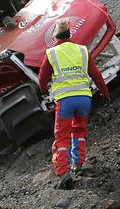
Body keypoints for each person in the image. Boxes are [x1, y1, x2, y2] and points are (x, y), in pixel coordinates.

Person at [39, 20, 108, 189]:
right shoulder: (82, 50)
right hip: (84, 99)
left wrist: (44, 89)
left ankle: (64, 172)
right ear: (69, 35)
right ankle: (78, 163)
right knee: (79, 130)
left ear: (55, 37)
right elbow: (96, 74)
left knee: (62, 136)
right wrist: (104, 92)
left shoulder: (51, 53)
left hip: (65, 101)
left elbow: (42, 78)